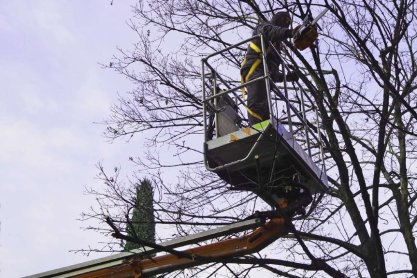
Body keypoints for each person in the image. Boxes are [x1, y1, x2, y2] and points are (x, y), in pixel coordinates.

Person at [241, 11, 299, 125]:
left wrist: (288, 77)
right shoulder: (264, 27)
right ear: (276, 20)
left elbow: (275, 75)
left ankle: (265, 131)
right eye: (284, 21)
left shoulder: (276, 48)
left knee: (265, 111)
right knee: (256, 104)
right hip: (254, 71)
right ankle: (256, 131)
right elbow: (270, 32)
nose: (286, 24)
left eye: (288, 23)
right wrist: (290, 32)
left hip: (266, 77)